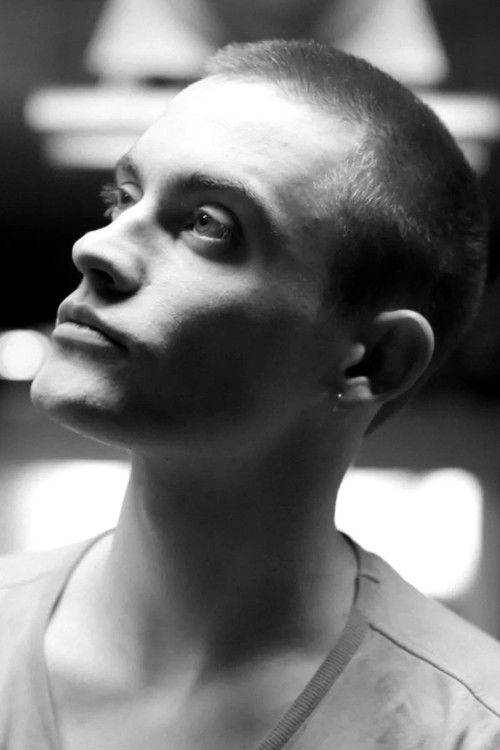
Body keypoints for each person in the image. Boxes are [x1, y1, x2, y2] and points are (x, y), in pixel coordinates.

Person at [0, 38, 498, 750]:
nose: (96, 246)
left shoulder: (465, 729)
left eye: (209, 224)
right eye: (123, 199)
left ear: (374, 359)